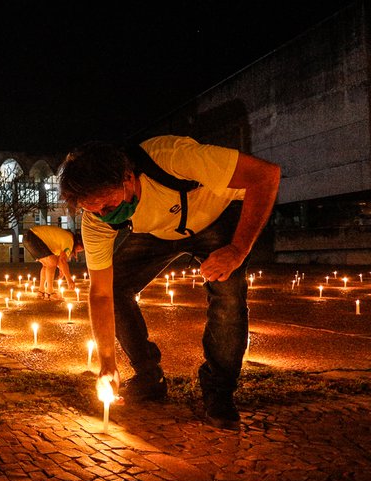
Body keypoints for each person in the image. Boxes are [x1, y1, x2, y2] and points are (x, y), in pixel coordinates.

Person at [58, 135, 280, 430]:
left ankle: (219, 392)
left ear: (127, 178)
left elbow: (265, 175)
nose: (104, 215)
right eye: (93, 209)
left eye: (108, 205)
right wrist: (107, 363)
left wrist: (238, 249)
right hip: (156, 233)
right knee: (115, 288)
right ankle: (150, 378)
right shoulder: (98, 220)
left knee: (228, 297)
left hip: (214, 218)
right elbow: (99, 295)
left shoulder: (173, 158)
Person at [22, 225, 81, 298]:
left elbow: (59, 261)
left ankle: (41, 291)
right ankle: (50, 292)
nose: (79, 251)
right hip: (34, 236)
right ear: (78, 243)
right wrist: (69, 279)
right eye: (80, 249)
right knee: (51, 263)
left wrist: (62, 269)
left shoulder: (67, 237)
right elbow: (62, 260)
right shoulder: (70, 241)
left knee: (47, 264)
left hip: (28, 236)